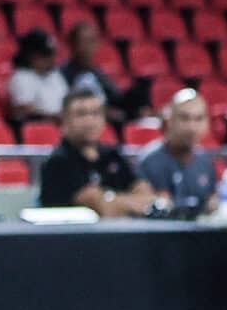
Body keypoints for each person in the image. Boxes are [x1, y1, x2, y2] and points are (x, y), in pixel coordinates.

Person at [37, 87, 155, 217]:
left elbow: (145, 194)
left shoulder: (113, 155)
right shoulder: (57, 162)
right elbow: (99, 206)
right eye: (81, 114)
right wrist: (128, 202)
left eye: (96, 113)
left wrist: (111, 200)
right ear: (64, 119)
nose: (90, 121)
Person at [137, 86, 219, 214]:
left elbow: (212, 201)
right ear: (170, 121)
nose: (192, 128)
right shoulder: (149, 161)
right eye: (185, 118)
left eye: (199, 119)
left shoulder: (205, 162)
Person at [8, 28, 68, 120]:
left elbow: (69, 102)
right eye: (45, 55)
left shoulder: (55, 75)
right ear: (31, 56)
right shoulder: (21, 77)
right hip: (41, 128)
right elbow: (26, 111)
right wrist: (56, 118)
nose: (51, 59)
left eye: (52, 54)